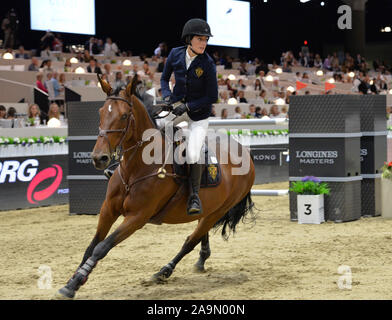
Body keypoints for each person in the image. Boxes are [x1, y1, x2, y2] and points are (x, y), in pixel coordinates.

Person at [160, 18, 218, 216]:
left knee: (193, 153)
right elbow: (164, 78)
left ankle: (194, 196)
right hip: (177, 108)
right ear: (189, 39)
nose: (203, 43)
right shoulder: (175, 54)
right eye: (200, 39)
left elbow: (212, 97)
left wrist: (187, 106)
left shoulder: (208, 64)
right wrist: (167, 96)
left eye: (205, 40)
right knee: (154, 126)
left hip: (198, 115)